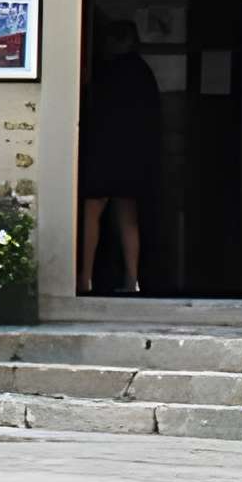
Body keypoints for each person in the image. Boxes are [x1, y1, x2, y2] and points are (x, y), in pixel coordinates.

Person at [77, 17, 161, 296]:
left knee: (92, 213)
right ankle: (133, 279)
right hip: (132, 154)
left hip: (101, 150)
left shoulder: (103, 72)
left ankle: (84, 278)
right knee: (128, 217)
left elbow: (91, 110)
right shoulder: (143, 72)